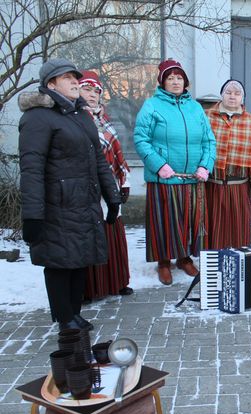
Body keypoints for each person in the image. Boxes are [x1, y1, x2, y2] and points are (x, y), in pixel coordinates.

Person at [18, 58, 120, 331]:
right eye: (67, 78)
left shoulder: (79, 115)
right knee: (59, 262)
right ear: (51, 84)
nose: (76, 81)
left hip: (83, 202)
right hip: (57, 204)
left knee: (79, 258)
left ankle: (74, 314)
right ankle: (64, 318)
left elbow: (98, 159)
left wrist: (112, 197)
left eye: (76, 77)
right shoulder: (37, 117)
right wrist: (32, 216)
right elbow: (31, 169)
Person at [134, 59, 216, 285]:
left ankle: (183, 258)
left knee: (188, 221)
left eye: (179, 78)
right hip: (165, 177)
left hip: (192, 177)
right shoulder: (151, 106)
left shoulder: (195, 107)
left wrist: (204, 166)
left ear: (185, 81)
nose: (175, 82)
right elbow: (141, 139)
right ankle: (163, 261)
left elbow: (209, 140)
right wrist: (159, 165)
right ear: (162, 82)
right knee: (165, 221)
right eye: (170, 78)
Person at [78, 70, 134, 300]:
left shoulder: (104, 120)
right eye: (87, 89)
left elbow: (116, 153)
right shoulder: (76, 119)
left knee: (113, 234)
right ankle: (93, 288)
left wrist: (124, 180)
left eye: (96, 91)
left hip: (110, 185)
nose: (92, 95)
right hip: (88, 188)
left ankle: (116, 281)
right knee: (93, 236)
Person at [206, 79, 251, 249]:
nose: (232, 96)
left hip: (239, 185)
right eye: (228, 92)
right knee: (213, 227)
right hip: (213, 184)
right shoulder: (207, 116)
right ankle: (213, 263)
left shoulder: (250, 121)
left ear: (242, 98)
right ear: (222, 95)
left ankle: (238, 263)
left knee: (239, 228)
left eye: (237, 94)